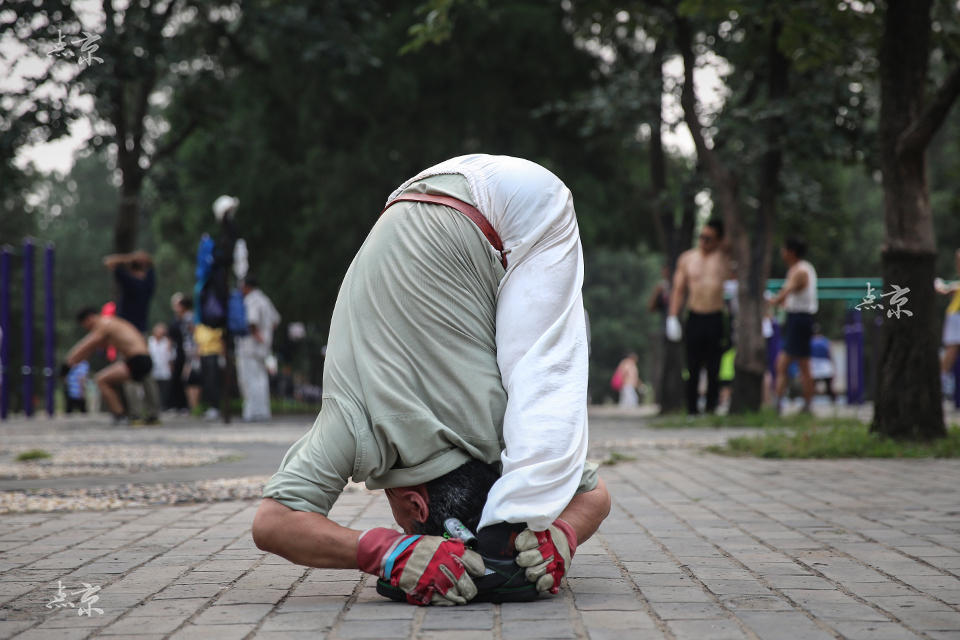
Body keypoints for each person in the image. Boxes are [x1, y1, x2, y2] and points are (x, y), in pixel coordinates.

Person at [252, 154, 610, 607]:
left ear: (418, 508)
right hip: (446, 199)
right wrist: (388, 551)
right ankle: (509, 545)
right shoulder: (361, 422)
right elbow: (272, 522)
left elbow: (271, 523)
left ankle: (510, 539)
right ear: (418, 507)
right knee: (539, 398)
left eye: (404, 529)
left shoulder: (505, 427)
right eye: (403, 528)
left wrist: (563, 532)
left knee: (544, 386)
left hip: (465, 190)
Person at [666, 219, 732, 414]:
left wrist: (721, 242)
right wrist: (672, 316)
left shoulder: (723, 258)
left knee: (714, 366)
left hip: (716, 316)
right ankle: (692, 409)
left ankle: (712, 406)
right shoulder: (687, 259)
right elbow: (678, 290)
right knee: (692, 366)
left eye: (709, 238)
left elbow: (733, 243)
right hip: (694, 315)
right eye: (702, 237)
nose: (703, 241)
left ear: (718, 239)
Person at [64, 308, 156, 424]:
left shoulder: (104, 324)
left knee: (101, 379)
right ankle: (151, 415)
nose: (87, 329)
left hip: (136, 360)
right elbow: (92, 349)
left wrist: (67, 363)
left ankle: (120, 415)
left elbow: (86, 345)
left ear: (89, 318)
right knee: (115, 379)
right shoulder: (113, 322)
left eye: (85, 326)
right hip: (143, 358)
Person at [770, 237, 818, 414]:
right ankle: (805, 404)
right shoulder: (801, 269)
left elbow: (786, 292)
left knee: (783, 364)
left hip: (799, 319)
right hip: (797, 319)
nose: (782, 252)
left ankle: (779, 404)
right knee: (803, 364)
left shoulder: (800, 271)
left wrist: (773, 301)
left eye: (784, 249)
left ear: (791, 252)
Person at [236, 276, 281, 422]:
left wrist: (257, 335)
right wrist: (266, 335)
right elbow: (276, 320)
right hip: (264, 347)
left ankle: (252, 412)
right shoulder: (265, 300)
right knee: (261, 379)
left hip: (250, 347)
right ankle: (263, 411)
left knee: (248, 380)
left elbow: (252, 322)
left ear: (247, 287)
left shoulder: (250, 301)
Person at [102, 251, 155, 334]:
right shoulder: (149, 282)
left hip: (124, 325)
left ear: (130, 270)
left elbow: (108, 261)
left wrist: (130, 257)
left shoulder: (128, 280)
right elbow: (151, 264)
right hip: (141, 328)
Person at [935, 249, 960, 397]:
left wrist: (939, 285)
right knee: (950, 351)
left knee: (950, 351)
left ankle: (942, 381)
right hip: (954, 316)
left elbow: (945, 290)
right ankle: (942, 380)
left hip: (956, 317)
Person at [148, 323, 174, 411]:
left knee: (165, 390)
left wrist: (171, 368)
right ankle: (154, 406)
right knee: (154, 389)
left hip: (164, 368)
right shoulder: (150, 341)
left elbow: (170, 356)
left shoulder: (167, 342)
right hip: (153, 369)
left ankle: (164, 406)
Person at [809, 327, 835, 403]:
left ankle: (809, 401)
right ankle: (833, 399)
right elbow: (830, 354)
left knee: (812, 385)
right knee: (828, 386)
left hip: (814, 364)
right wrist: (833, 366)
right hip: (824, 365)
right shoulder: (825, 341)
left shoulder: (810, 341)